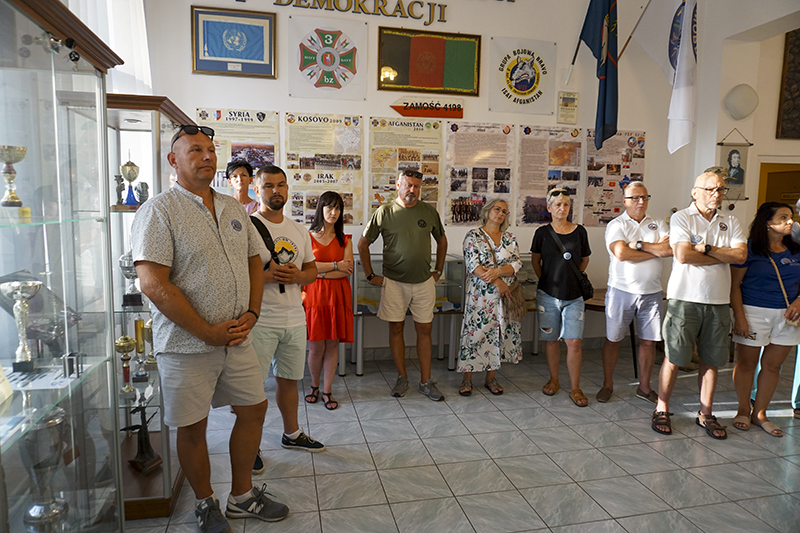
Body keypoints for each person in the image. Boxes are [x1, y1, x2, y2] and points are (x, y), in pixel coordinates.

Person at [132, 125, 288, 533]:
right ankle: (205, 503)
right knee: (193, 425)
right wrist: (205, 330)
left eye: (210, 150)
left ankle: (241, 496)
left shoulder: (234, 208)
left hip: (237, 337)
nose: (206, 156)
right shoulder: (159, 210)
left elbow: (257, 260)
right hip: (186, 343)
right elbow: (152, 282)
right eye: (195, 150)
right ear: (173, 160)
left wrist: (253, 312)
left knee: (254, 409)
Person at [652, 170, 747, 439]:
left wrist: (705, 250)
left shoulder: (730, 221)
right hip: (685, 299)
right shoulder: (682, 217)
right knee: (674, 357)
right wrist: (721, 255)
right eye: (710, 189)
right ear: (695, 192)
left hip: (718, 301)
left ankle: (705, 413)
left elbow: (740, 255)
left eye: (720, 190)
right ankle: (662, 408)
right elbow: (682, 255)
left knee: (711, 361)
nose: (716, 194)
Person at [250, 165, 324, 452]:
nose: (276, 190)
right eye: (268, 185)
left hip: (293, 318)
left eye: (281, 185)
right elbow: (237, 274)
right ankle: (250, 447)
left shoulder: (297, 229)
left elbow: (311, 271)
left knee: (290, 380)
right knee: (252, 388)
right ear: (257, 190)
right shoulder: (246, 228)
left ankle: (291, 434)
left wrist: (297, 277)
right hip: (259, 319)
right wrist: (268, 277)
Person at [358, 169, 448, 401]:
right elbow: (363, 244)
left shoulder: (428, 211)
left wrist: (438, 270)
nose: (412, 190)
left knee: (424, 330)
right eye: (408, 185)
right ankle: (402, 377)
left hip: (423, 283)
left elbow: (442, 239)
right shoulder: (384, 212)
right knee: (396, 328)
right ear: (398, 185)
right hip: (394, 282)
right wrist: (370, 275)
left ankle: (426, 381)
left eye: (417, 186)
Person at [597, 182, 672, 404]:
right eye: (635, 198)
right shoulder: (616, 224)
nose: (641, 202)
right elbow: (620, 252)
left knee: (648, 342)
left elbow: (669, 250)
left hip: (652, 293)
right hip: (622, 291)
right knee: (613, 339)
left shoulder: (658, 223)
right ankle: (607, 384)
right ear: (625, 201)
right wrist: (653, 249)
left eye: (645, 197)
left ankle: (644, 387)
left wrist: (637, 245)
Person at [730, 202, 800, 437]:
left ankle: (759, 413)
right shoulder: (749, 249)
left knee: (773, 366)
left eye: (791, 217)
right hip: (753, 312)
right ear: (767, 223)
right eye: (783, 218)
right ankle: (742, 409)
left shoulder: (797, 248)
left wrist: (799, 301)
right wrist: (739, 317)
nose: (790, 222)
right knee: (747, 364)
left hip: (788, 316)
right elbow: (734, 286)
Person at [530, 188, 592, 407]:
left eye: (566, 204)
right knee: (551, 340)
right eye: (557, 205)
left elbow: (584, 260)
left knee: (574, 342)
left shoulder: (580, 231)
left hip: (574, 295)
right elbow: (536, 262)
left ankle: (575, 387)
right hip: (548, 295)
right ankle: (554, 378)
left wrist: (570, 278)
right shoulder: (542, 233)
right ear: (549, 208)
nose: (562, 208)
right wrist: (548, 280)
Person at [457, 199, 523, 395]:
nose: (500, 213)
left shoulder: (509, 238)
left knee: (498, 335)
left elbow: (517, 263)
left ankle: (491, 378)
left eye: (504, 211)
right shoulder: (473, 236)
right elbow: (474, 266)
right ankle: (467, 379)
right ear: (487, 211)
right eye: (497, 209)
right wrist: (498, 281)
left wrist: (498, 272)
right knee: (475, 335)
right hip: (480, 298)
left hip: (505, 298)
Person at [303, 191, 354, 410]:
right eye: (329, 208)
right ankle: (313, 386)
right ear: (320, 209)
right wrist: (333, 266)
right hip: (314, 296)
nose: (333, 213)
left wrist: (319, 271)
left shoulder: (345, 239)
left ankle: (327, 390)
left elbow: (347, 270)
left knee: (333, 345)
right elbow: (305, 268)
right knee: (315, 347)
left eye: (337, 208)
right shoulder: (307, 236)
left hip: (338, 296)